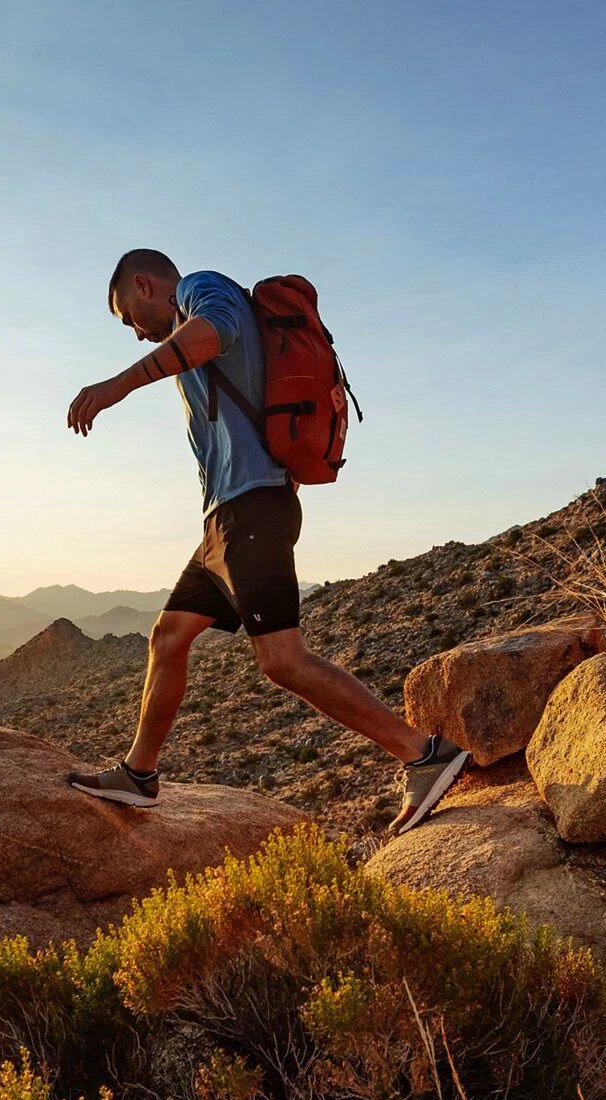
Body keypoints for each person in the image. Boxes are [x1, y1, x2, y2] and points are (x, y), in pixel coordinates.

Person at [65, 249, 469, 836]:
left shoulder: (202, 290)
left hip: (253, 507)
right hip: (225, 520)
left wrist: (116, 387)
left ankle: (423, 755)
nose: (134, 333)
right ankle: (139, 774)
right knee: (168, 638)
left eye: (129, 317)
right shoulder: (185, 309)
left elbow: (214, 333)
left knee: (282, 660)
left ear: (145, 285)